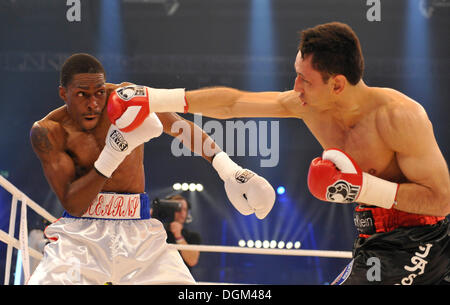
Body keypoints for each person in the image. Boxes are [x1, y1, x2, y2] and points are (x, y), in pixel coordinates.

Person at [128, 22, 449, 285]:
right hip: (372, 239)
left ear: (337, 84)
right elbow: (233, 103)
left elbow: (440, 200)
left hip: (423, 239)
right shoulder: (309, 104)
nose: (295, 87)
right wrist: (153, 98)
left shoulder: (399, 116)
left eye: (305, 79)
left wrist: (363, 188)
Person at [28, 53, 276, 284]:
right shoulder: (48, 131)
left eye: (99, 92)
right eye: (82, 94)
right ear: (63, 93)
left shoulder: (126, 98)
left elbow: (180, 127)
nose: (94, 103)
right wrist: (114, 152)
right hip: (80, 236)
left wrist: (229, 169)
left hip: (139, 234)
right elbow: (74, 204)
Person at [164, 195, 201, 270]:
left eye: (185, 209)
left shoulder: (193, 236)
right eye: (178, 208)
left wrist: (178, 236)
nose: (182, 213)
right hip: (158, 278)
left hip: (182, 280)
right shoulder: (157, 233)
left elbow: (192, 261)